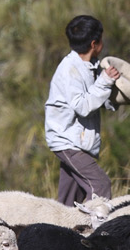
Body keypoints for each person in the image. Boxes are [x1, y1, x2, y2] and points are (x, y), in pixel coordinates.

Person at [45, 14, 121, 205]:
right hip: (68, 142)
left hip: (78, 142)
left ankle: (65, 231)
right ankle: (98, 232)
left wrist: (116, 97)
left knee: (69, 200)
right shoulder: (69, 70)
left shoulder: (90, 66)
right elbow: (83, 106)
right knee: (100, 185)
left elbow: (95, 96)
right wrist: (105, 81)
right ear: (94, 43)